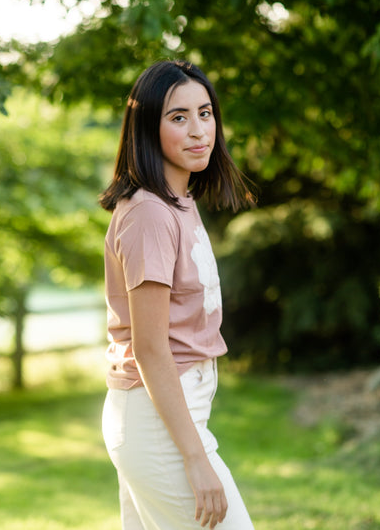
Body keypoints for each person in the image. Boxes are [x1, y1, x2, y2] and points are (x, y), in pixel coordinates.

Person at [100, 59, 255, 530]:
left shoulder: (177, 202)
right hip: (157, 422)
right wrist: (195, 458)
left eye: (205, 113)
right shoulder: (149, 213)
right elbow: (150, 349)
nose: (198, 131)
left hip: (165, 416)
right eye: (178, 117)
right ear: (148, 127)